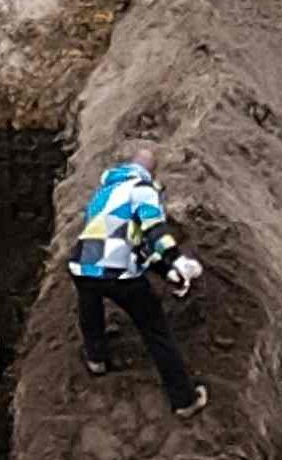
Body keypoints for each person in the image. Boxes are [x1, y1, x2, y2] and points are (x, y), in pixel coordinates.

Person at [67, 152, 208, 417]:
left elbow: (129, 242)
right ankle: (184, 400)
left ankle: (96, 358)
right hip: (119, 274)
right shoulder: (143, 190)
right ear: (151, 173)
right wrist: (176, 260)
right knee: (156, 331)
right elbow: (154, 231)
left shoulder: (103, 194)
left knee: (90, 305)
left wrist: (167, 272)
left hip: (82, 266)